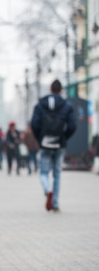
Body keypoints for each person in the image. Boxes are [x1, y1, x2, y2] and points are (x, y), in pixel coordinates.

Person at [30, 79, 77, 212]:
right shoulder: (67, 105)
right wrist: (64, 137)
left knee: (44, 172)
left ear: (50, 89)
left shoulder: (40, 104)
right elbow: (73, 126)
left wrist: (40, 139)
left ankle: (47, 189)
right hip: (59, 143)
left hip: (45, 143)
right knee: (57, 174)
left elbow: (34, 124)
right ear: (61, 91)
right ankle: (55, 203)